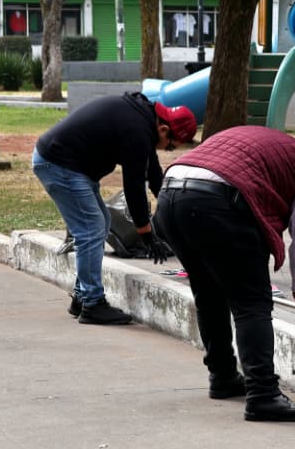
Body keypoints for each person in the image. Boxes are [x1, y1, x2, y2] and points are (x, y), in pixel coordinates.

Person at [153, 125, 295, 422]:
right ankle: (263, 395)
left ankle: (223, 376)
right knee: (252, 302)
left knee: (209, 294)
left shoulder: (268, 145)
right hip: (217, 202)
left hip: (170, 195)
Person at [33, 93, 198, 325]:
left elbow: (153, 174)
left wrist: (170, 212)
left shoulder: (144, 118)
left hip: (70, 164)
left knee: (101, 224)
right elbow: (133, 187)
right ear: (163, 129)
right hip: (60, 164)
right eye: (170, 146)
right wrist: (147, 234)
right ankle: (92, 304)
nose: (166, 149)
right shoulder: (139, 131)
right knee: (91, 229)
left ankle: (82, 297)